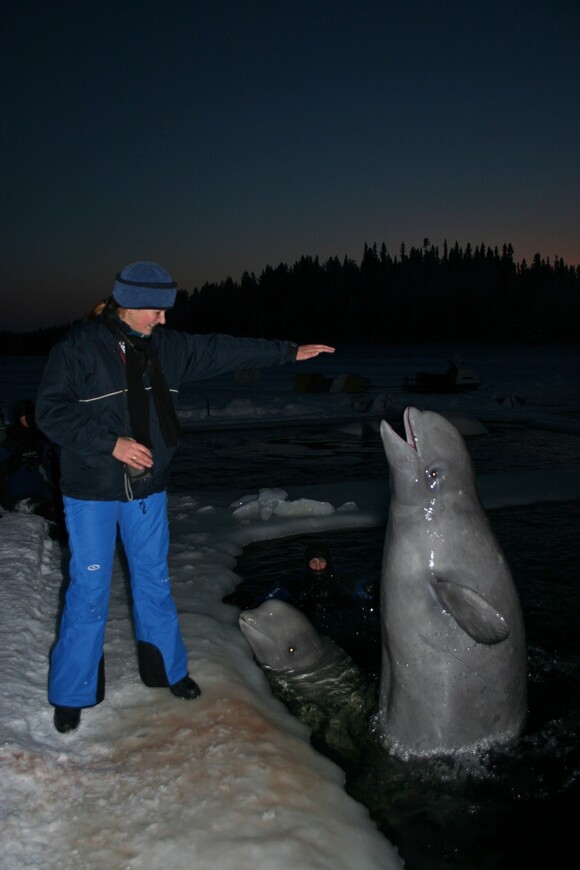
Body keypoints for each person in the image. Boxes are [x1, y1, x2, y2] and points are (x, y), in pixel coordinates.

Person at [36, 260, 335, 734]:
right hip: (91, 490)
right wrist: (110, 444)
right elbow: (49, 413)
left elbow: (225, 350)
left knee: (153, 582)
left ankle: (168, 672)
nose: (163, 320)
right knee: (89, 592)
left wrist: (290, 352)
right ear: (128, 303)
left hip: (148, 489)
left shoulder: (169, 349)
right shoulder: (79, 348)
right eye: (156, 310)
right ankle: (72, 694)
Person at [0, 399, 63, 532]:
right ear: (17, 418)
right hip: (19, 495)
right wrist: (18, 460)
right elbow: (3, 473)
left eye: (31, 417)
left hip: (41, 490)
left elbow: (53, 467)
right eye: (25, 418)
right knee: (46, 510)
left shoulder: (40, 439)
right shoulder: (8, 442)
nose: (29, 421)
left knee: (66, 508)